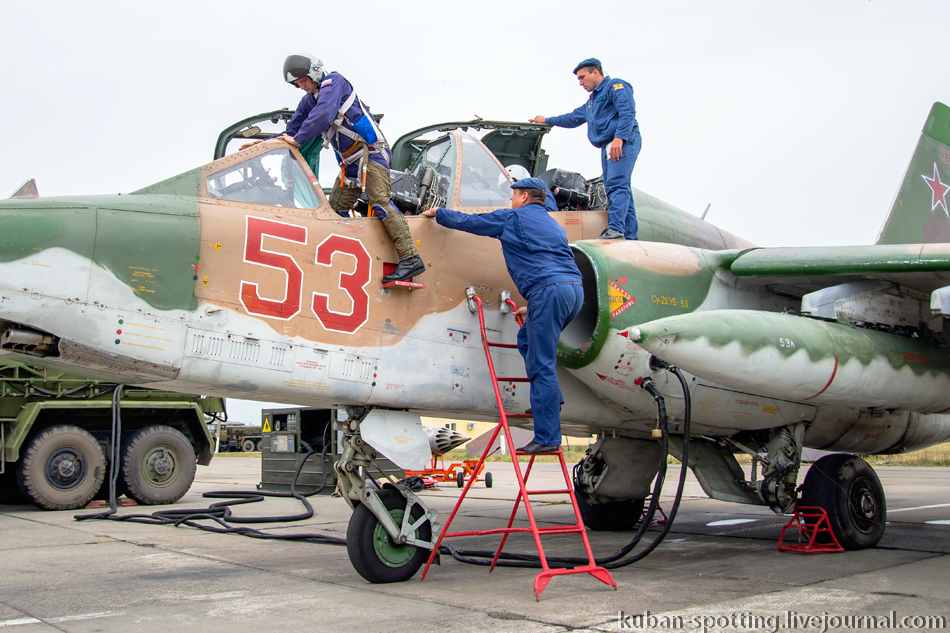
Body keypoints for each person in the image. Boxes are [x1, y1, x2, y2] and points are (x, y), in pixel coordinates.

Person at [420, 178, 583, 454]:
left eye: (514, 195)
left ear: (524, 197)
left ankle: (547, 438)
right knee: (527, 340)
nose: (511, 200)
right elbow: (556, 265)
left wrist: (439, 214)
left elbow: (474, 223)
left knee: (542, 362)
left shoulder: (514, 219)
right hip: (573, 293)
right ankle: (549, 401)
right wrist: (535, 307)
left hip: (548, 292)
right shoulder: (553, 225)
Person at [243, 54, 424, 283]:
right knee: (334, 210)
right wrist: (265, 143)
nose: (302, 87)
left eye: (303, 81)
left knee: (379, 199)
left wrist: (298, 140)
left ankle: (410, 258)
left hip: (372, 153)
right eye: (298, 84)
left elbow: (324, 114)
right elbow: (293, 129)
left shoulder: (335, 83)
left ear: (315, 72)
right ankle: (336, 263)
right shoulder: (309, 100)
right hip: (350, 163)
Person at [530, 58, 641, 240]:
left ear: (595, 72)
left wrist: (619, 138)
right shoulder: (591, 103)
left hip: (622, 141)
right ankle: (629, 235)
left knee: (616, 185)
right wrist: (547, 120)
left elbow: (627, 112)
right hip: (607, 145)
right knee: (619, 186)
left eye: (583, 77)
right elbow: (572, 118)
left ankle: (615, 229)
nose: (581, 83)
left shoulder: (615, 86)